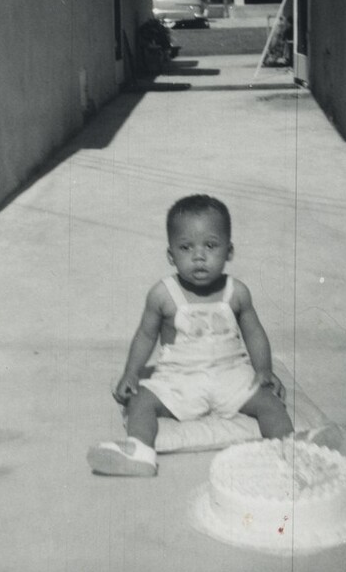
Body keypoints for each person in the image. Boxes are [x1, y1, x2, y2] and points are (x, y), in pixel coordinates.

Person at [88, 194, 292, 476]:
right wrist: (132, 373)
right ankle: (141, 453)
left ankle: (289, 452)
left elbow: (254, 332)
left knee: (270, 401)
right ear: (171, 255)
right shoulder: (163, 295)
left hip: (231, 374)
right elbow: (146, 336)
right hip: (179, 380)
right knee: (141, 400)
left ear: (229, 251)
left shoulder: (237, 292)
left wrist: (264, 370)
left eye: (210, 245)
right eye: (186, 247)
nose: (199, 256)